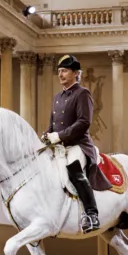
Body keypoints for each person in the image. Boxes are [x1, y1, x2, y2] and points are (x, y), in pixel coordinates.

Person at [43, 55, 111, 233]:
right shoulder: (57, 97)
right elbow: (52, 124)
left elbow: (83, 122)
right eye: (59, 71)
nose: (60, 74)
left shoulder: (83, 93)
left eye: (64, 71)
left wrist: (59, 136)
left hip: (78, 145)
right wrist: (46, 135)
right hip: (59, 146)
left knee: (74, 169)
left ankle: (91, 214)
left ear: (75, 73)